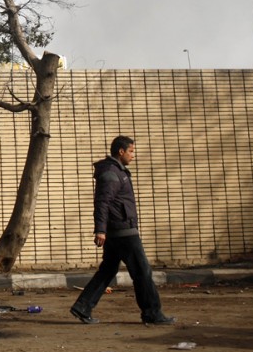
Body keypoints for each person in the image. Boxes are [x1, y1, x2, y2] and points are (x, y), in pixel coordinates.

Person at [70, 135, 175, 325]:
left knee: (108, 270)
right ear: (121, 151)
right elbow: (102, 202)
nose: (133, 155)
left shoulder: (118, 171)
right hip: (123, 231)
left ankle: (83, 307)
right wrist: (100, 230)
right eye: (131, 151)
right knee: (143, 271)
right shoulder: (111, 173)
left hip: (119, 229)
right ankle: (152, 313)